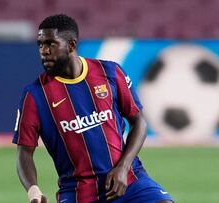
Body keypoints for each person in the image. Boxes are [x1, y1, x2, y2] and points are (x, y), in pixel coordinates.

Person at [13, 14, 174, 203]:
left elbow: (139, 122)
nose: (44, 51)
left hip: (128, 181)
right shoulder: (35, 95)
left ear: (71, 45)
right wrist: (34, 191)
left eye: (51, 44)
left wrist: (123, 167)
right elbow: (24, 152)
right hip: (78, 193)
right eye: (40, 45)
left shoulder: (110, 73)